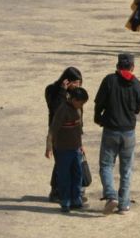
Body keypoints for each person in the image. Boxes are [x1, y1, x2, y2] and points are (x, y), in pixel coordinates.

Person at [95, 54, 140, 215]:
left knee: (106, 165)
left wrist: (98, 118)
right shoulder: (137, 84)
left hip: (110, 130)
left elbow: (99, 102)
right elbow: (137, 109)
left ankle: (110, 195)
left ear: (117, 66)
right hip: (129, 132)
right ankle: (124, 204)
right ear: (132, 67)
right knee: (126, 169)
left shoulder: (109, 80)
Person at [47, 86, 89, 213]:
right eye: (80, 102)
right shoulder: (62, 110)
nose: (81, 105)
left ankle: (76, 199)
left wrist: (81, 144)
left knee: (77, 174)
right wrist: (48, 147)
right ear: (73, 99)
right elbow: (53, 130)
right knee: (65, 176)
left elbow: (79, 128)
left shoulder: (79, 109)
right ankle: (65, 201)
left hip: (76, 148)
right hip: (62, 149)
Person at [45, 67, 83, 202]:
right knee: (62, 163)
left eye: (79, 83)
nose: (77, 86)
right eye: (75, 82)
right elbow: (55, 108)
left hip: (73, 134)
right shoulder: (52, 90)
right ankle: (57, 192)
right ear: (66, 81)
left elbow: (79, 114)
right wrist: (62, 91)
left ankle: (70, 192)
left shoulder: (76, 94)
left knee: (71, 164)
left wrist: (80, 138)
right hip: (58, 134)